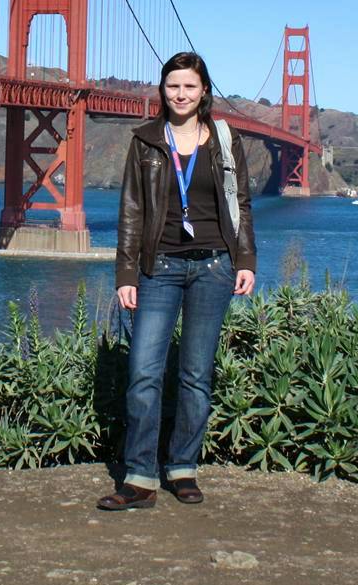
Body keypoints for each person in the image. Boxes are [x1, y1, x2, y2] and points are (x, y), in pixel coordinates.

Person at [97, 51, 256, 511]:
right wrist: (126, 272)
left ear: (204, 90)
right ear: (162, 91)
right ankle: (140, 477)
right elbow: (131, 211)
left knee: (195, 375)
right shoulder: (145, 141)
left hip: (214, 266)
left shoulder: (225, 139)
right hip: (159, 267)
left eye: (189, 86)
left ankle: (183, 469)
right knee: (143, 371)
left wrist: (245, 258)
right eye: (172, 86)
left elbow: (240, 203)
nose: (181, 94)